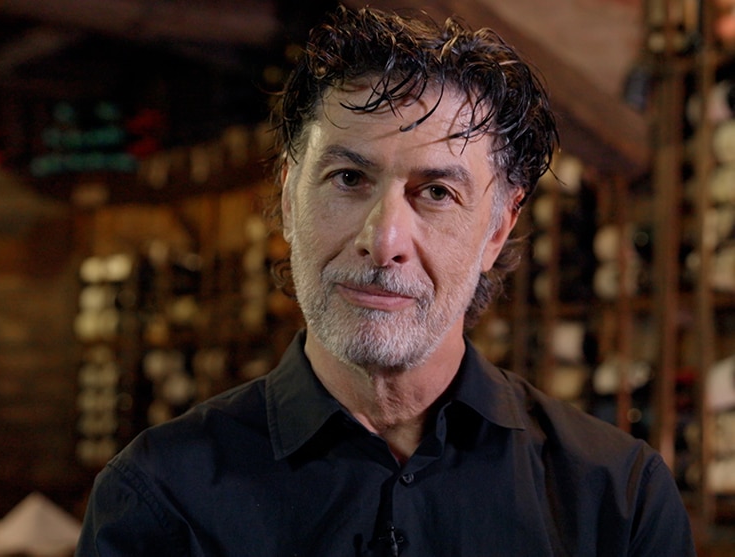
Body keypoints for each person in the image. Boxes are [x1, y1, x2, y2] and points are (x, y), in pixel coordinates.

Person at [76, 5, 696, 556]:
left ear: (498, 230)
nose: (385, 239)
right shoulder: (158, 498)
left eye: (437, 192)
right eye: (349, 179)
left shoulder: (616, 499)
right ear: (289, 200)